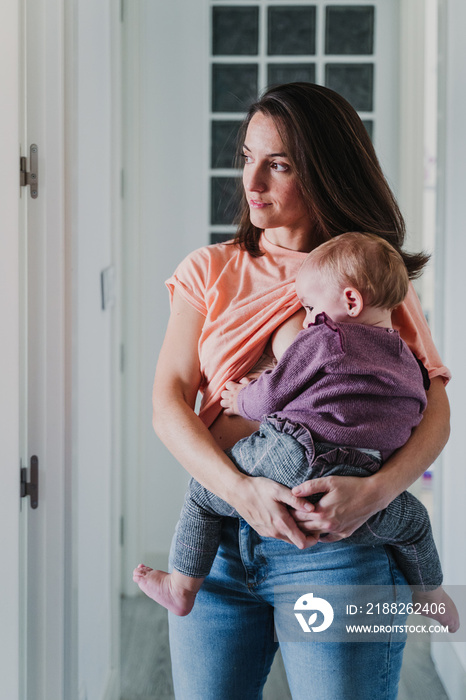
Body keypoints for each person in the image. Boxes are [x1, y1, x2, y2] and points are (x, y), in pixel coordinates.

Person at [136, 83, 451, 699]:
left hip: (340, 544)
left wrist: (376, 492)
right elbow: (168, 402)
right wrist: (240, 492)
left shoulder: (366, 274)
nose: (252, 181)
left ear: (326, 172)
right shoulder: (210, 270)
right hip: (217, 551)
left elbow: (433, 404)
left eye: (277, 165)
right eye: (248, 157)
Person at [133, 232, 459, 633]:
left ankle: (181, 586)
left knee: (202, 494)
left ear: (351, 301)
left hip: (295, 457)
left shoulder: (324, 338)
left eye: (310, 307)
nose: (307, 318)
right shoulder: (407, 361)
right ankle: (431, 594)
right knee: (415, 522)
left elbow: (274, 392)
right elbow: (415, 415)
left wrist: (239, 401)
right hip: (354, 488)